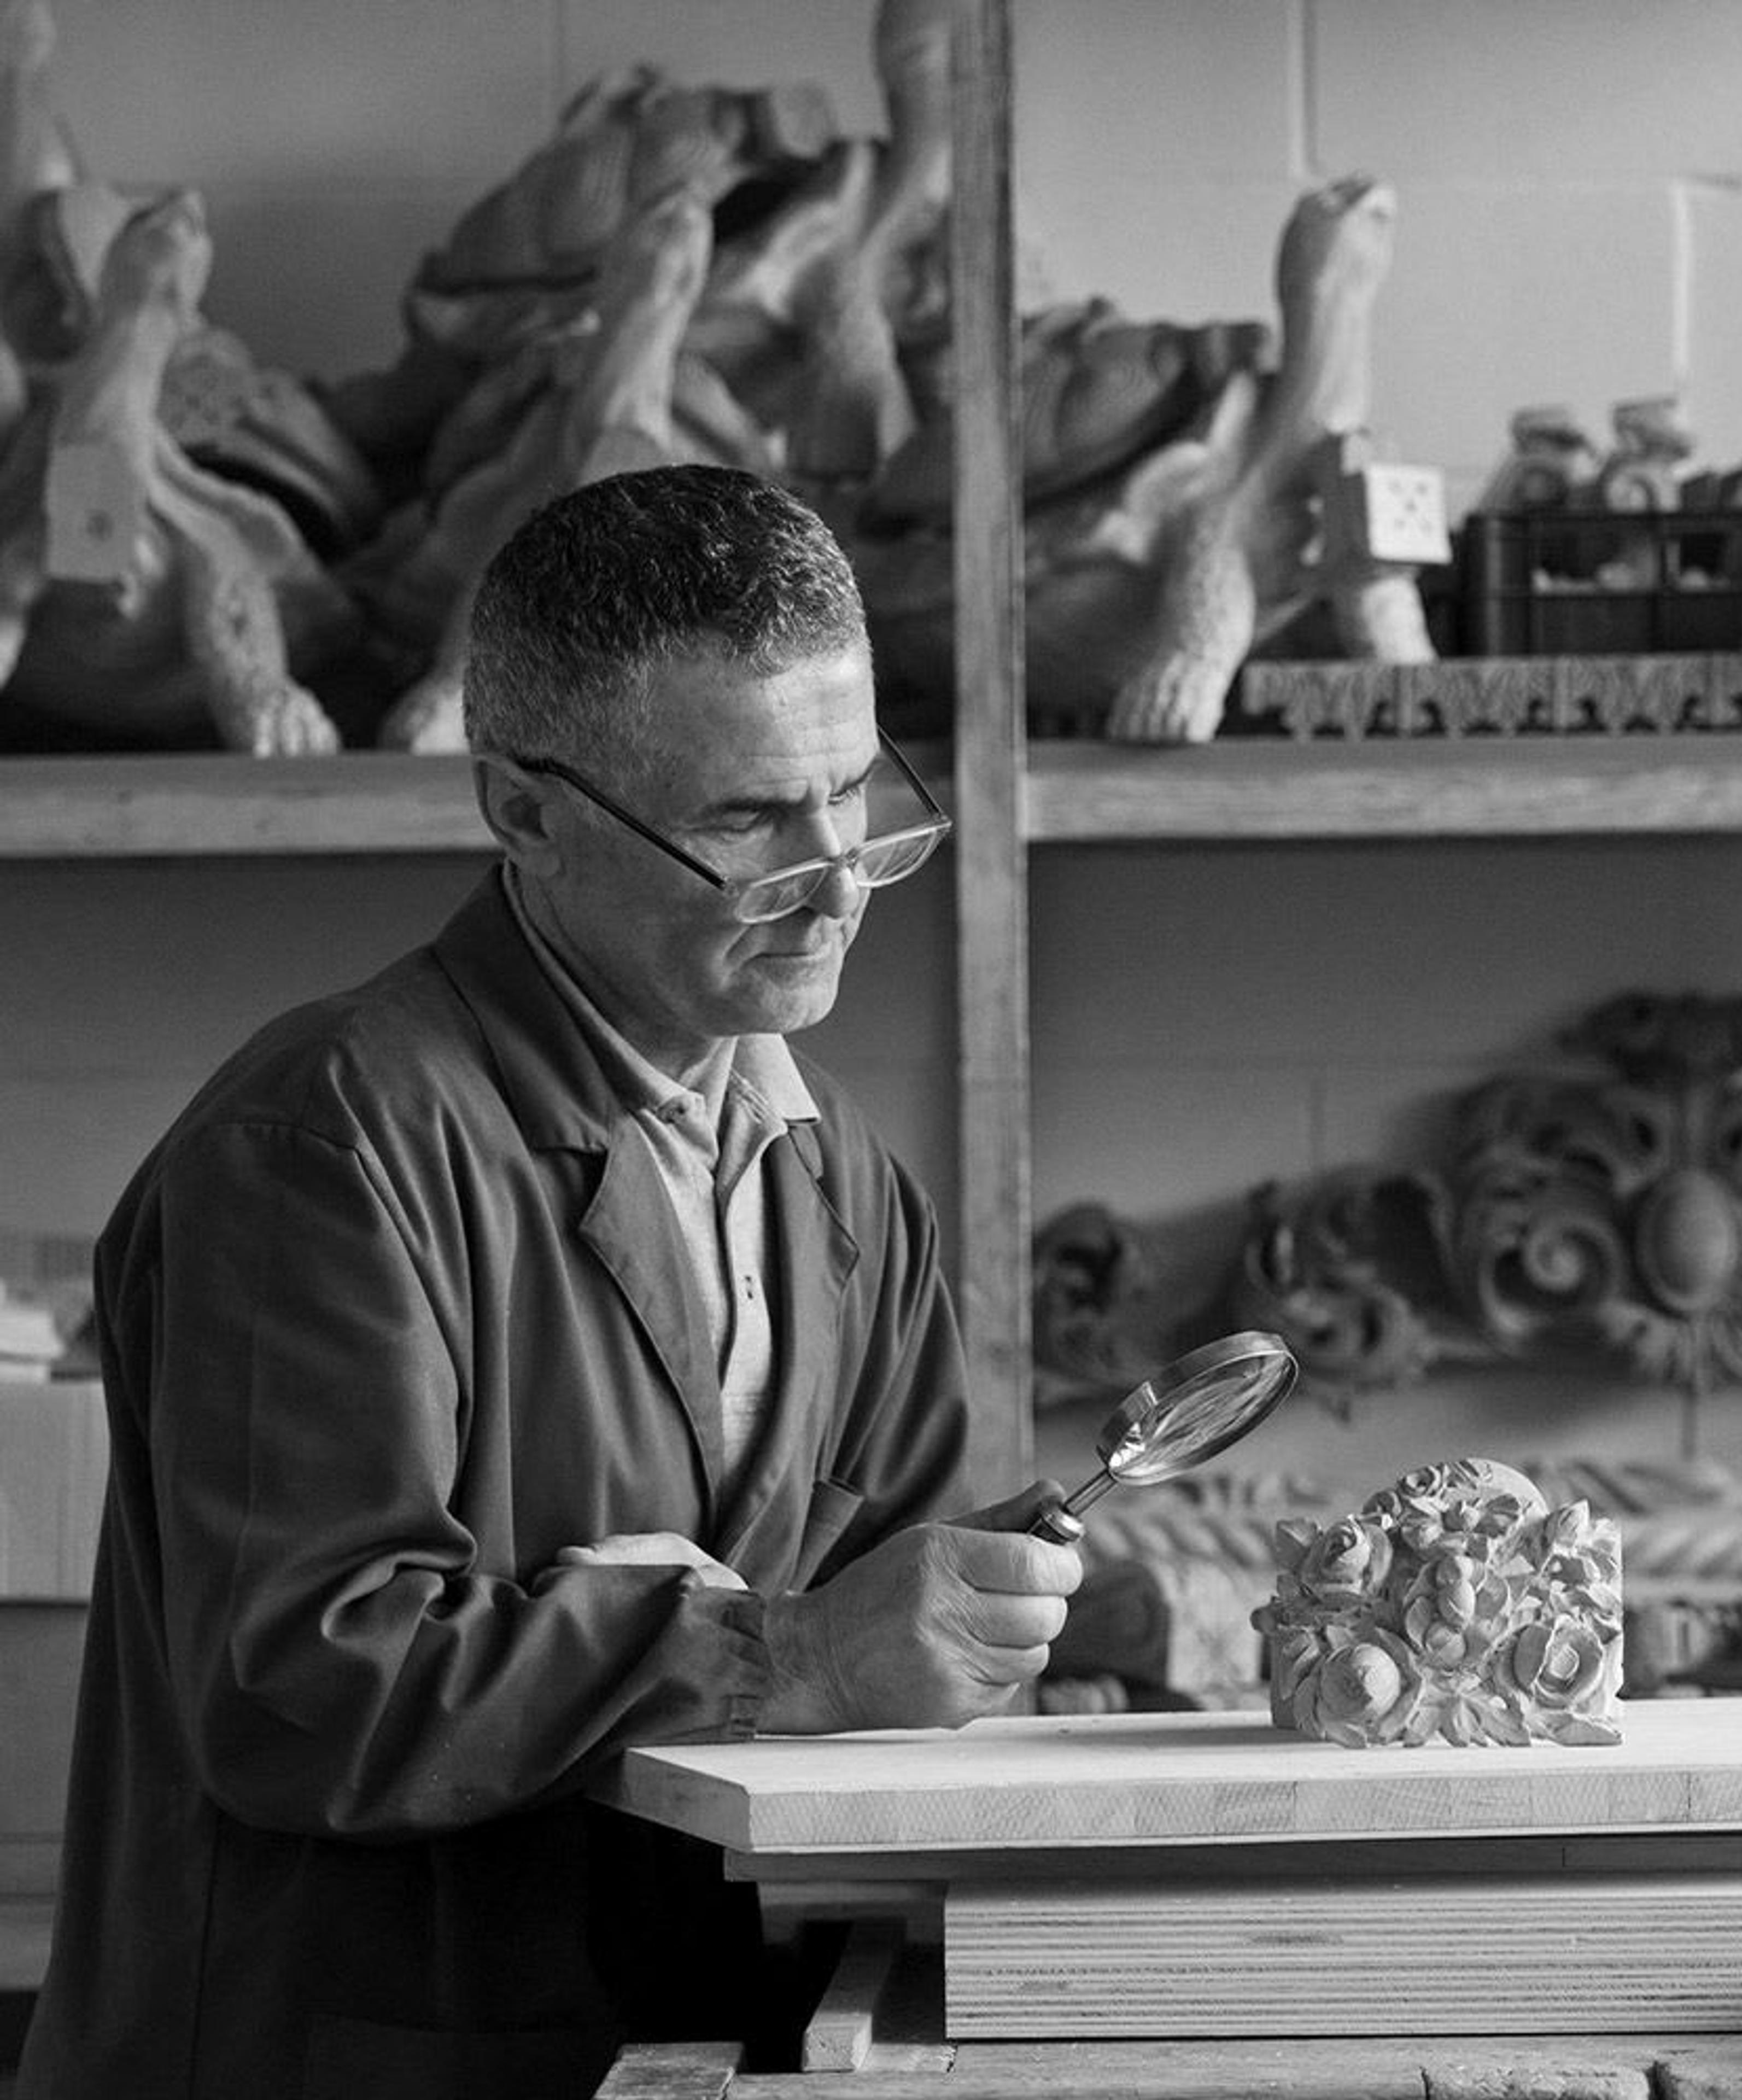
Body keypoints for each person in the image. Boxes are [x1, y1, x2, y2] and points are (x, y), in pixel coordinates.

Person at [17, 464, 1085, 2100]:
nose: (839, 879)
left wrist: (996, 1630)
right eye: (746, 822)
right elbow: (301, 1692)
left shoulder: (845, 1178)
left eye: (855, 794)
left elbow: (899, 1634)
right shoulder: (321, 1147)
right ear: (525, 814)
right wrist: (781, 1657)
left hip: (671, 2040)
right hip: (331, 2064)